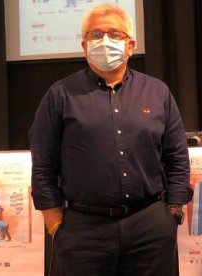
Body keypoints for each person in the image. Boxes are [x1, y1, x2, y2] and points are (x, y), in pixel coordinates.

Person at [29, 3, 193, 276]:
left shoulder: (157, 93)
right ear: (84, 46)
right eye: (96, 35)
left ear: (130, 45)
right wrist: (54, 220)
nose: (105, 41)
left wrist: (173, 211)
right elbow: (43, 160)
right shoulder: (60, 95)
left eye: (115, 34)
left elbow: (177, 155)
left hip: (149, 227)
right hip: (83, 231)